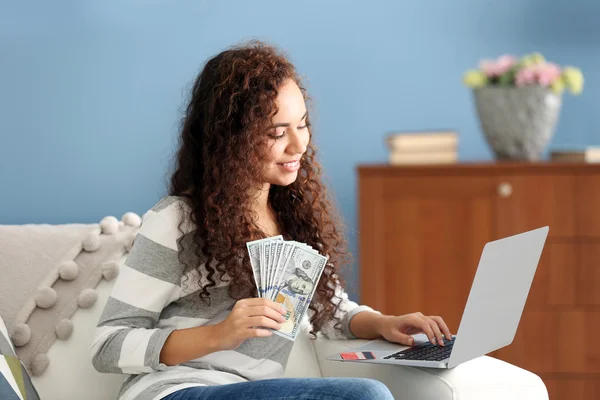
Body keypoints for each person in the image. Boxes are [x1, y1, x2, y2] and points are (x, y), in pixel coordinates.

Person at [90, 40, 452, 400]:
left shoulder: (293, 218)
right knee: (366, 396)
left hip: (256, 392)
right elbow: (108, 346)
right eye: (276, 133)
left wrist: (385, 324)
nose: (298, 145)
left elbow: (329, 310)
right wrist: (219, 334)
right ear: (232, 140)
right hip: (177, 390)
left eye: (302, 125)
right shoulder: (177, 221)